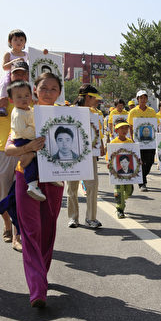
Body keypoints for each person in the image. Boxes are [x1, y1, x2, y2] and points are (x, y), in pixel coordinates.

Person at [4, 71, 65, 307]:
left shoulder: (67, 115)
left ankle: (41, 275)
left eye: (53, 89)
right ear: (35, 91)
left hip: (55, 179)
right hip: (26, 178)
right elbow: (9, 148)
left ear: (59, 93)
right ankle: (37, 288)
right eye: (43, 88)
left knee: (48, 230)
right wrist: (28, 147)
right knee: (31, 231)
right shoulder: (24, 113)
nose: (48, 92)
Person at [0, 59, 30, 252]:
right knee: (0, 192)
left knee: (20, 193)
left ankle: (17, 235)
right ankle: (7, 224)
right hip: (2, 149)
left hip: (24, 149)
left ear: (27, 75)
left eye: (22, 73)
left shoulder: (31, 95)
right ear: (10, 74)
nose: (19, 76)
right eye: (16, 73)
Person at [66, 84, 105, 229]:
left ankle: (91, 218)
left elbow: (98, 132)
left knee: (92, 186)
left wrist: (101, 145)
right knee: (72, 187)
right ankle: (73, 218)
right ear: (88, 97)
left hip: (90, 154)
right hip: (72, 154)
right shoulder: (70, 110)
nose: (97, 101)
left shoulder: (95, 113)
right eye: (95, 98)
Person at [7, 80, 46, 202]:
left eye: (27, 95)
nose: (24, 99)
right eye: (19, 97)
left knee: (37, 159)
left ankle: (49, 175)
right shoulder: (18, 114)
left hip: (30, 138)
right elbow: (23, 131)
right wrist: (37, 133)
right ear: (11, 100)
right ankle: (32, 185)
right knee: (30, 163)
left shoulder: (29, 109)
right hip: (22, 140)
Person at [127, 90, 159, 191]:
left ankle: (142, 176)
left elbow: (155, 125)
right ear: (137, 99)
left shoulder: (151, 111)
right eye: (141, 98)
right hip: (138, 141)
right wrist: (131, 138)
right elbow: (130, 126)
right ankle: (142, 183)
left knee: (150, 162)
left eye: (145, 98)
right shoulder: (133, 112)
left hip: (150, 142)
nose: (143, 100)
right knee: (140, 161)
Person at [0, 30, 29, 117]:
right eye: (15, 40)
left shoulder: (26, 54)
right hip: (11, 75)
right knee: (5, 85)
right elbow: (4, 67)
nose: (18, 42)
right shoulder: (9, 54)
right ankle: (2, 107)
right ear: (10, 41)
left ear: (25, 42)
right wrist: (15, 61)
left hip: (24, 75)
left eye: (21, 40)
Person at [110, 121, 135, 219]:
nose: (124, 130)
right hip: (117, 172)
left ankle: (120, 200)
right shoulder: (113, 143)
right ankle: (120, 209)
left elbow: (134, 156)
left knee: (129, 191)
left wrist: (138, 161)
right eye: (122, 128)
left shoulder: (130, 142)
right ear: (116, 130)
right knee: (119, 190)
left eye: (126, 128)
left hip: (129, 173)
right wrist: (109, 164)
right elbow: (110, 157)